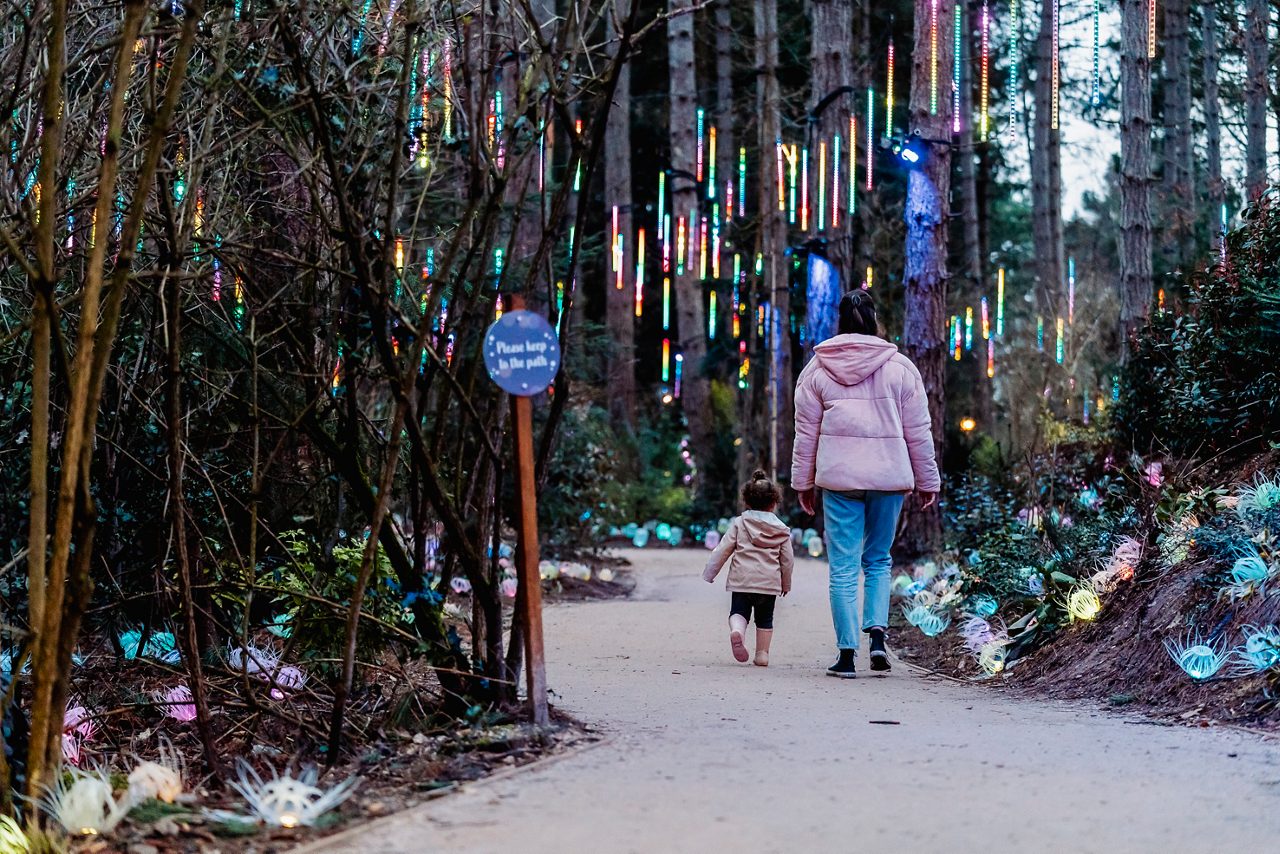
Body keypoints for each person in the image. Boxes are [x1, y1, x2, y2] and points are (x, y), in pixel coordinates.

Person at [792, 289, 941, 678]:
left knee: (842, 567)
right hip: (888, 479)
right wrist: (928, 480)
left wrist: (803, 483)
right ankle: (877, 638)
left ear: (838, 321)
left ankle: (845, 656)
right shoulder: (901, 368)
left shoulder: (817, 370)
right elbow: (918, 432)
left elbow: (805, 434)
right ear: (875, 319)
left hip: (839, 481)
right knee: (878, 560)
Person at [702, 471, 795, 667]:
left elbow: (723, 549)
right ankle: (762, 654)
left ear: (747, 502)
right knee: (765, 620)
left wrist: (710, 572)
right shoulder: (781, 529)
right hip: (768, 584)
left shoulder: (740, 523)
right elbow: (787, 560)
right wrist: (785, 583)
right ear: (774, 503)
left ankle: (737, 631)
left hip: (742, 580)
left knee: (739, 612)